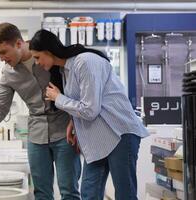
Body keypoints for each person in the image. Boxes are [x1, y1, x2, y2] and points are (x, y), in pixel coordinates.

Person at [0, 23, 81, 200]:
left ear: (18, 43)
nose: (1, 59)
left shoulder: (47, 53)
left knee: (69, 190)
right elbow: (0, 109)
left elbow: (75, 89)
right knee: (42, 193)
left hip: (64, 131)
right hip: (36, 135)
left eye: (3, 52)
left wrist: (75, 121)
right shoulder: (8, 74)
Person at [29, 29, 149, 200]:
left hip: (120, 132)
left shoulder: (84, 62)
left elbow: (90, 110)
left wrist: (58, 98)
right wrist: (73, 122)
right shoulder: (64, 71)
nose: (37, 63)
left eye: (37, 57)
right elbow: (81, 104)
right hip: (98, 139)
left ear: (48, 51)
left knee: (125, 194)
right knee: (89, 193)